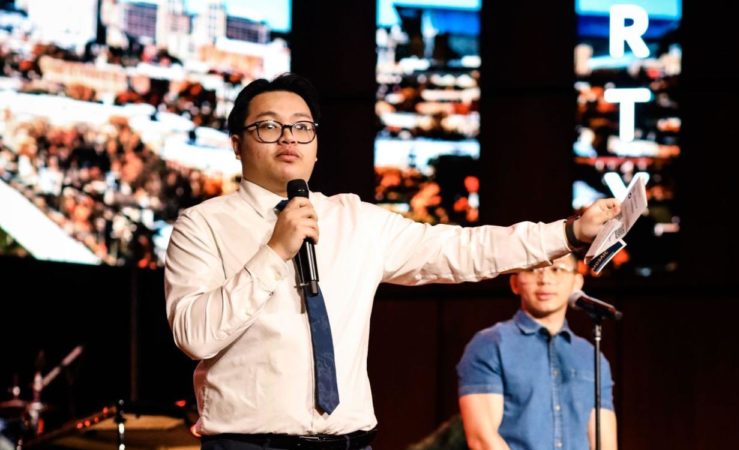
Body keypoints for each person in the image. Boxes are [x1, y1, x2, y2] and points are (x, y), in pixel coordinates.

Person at [163, 73, 620, 450]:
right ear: (237, 143)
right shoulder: (202, 225)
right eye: (268, 126)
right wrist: (273, 252)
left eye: (302, 127)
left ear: (317, 146)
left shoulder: (354, 219)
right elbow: (194, 336)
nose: (289, 138)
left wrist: (568, 233)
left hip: (349, 441)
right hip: (249, 445)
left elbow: (463, 250)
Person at [457, 253, 617, 450]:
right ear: (515, 283)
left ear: (577, 282)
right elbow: (483, 439)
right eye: (533, 270)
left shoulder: (591, 356)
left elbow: (605, 443)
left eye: (557, 269)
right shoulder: (491, 344)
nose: (545, 280)